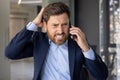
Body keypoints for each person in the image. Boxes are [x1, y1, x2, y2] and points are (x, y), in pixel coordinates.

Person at [5, 2, 108, 80]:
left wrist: (86, 47)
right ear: (45, 26)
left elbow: (101, 75)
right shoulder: (39, 41)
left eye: (64, 24)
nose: (60, 31)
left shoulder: (78, 43)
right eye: (54, 25)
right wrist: (33, 24)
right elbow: (11, 53)